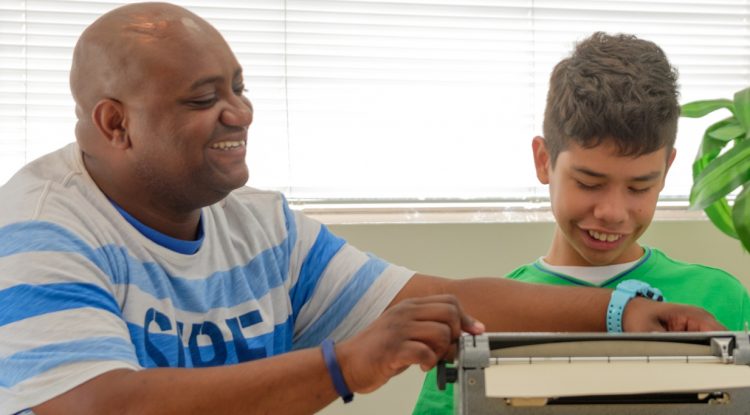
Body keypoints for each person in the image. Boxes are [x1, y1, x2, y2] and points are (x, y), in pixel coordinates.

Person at [0, 5, 723, 414]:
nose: (240, 112)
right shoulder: (42, 226)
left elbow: (436, 301)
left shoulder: (262, 225)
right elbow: (98, 407)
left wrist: (618, 313)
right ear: (114, 124)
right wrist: (343, 364)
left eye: (239, 87)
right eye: (203, 99)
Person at [411, 32, 750, 415]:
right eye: (589, 183)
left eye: (640, 186)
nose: (613, 211)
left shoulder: (722, 300)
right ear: (544, 161)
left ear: (667, 169)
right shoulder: (481, 319)